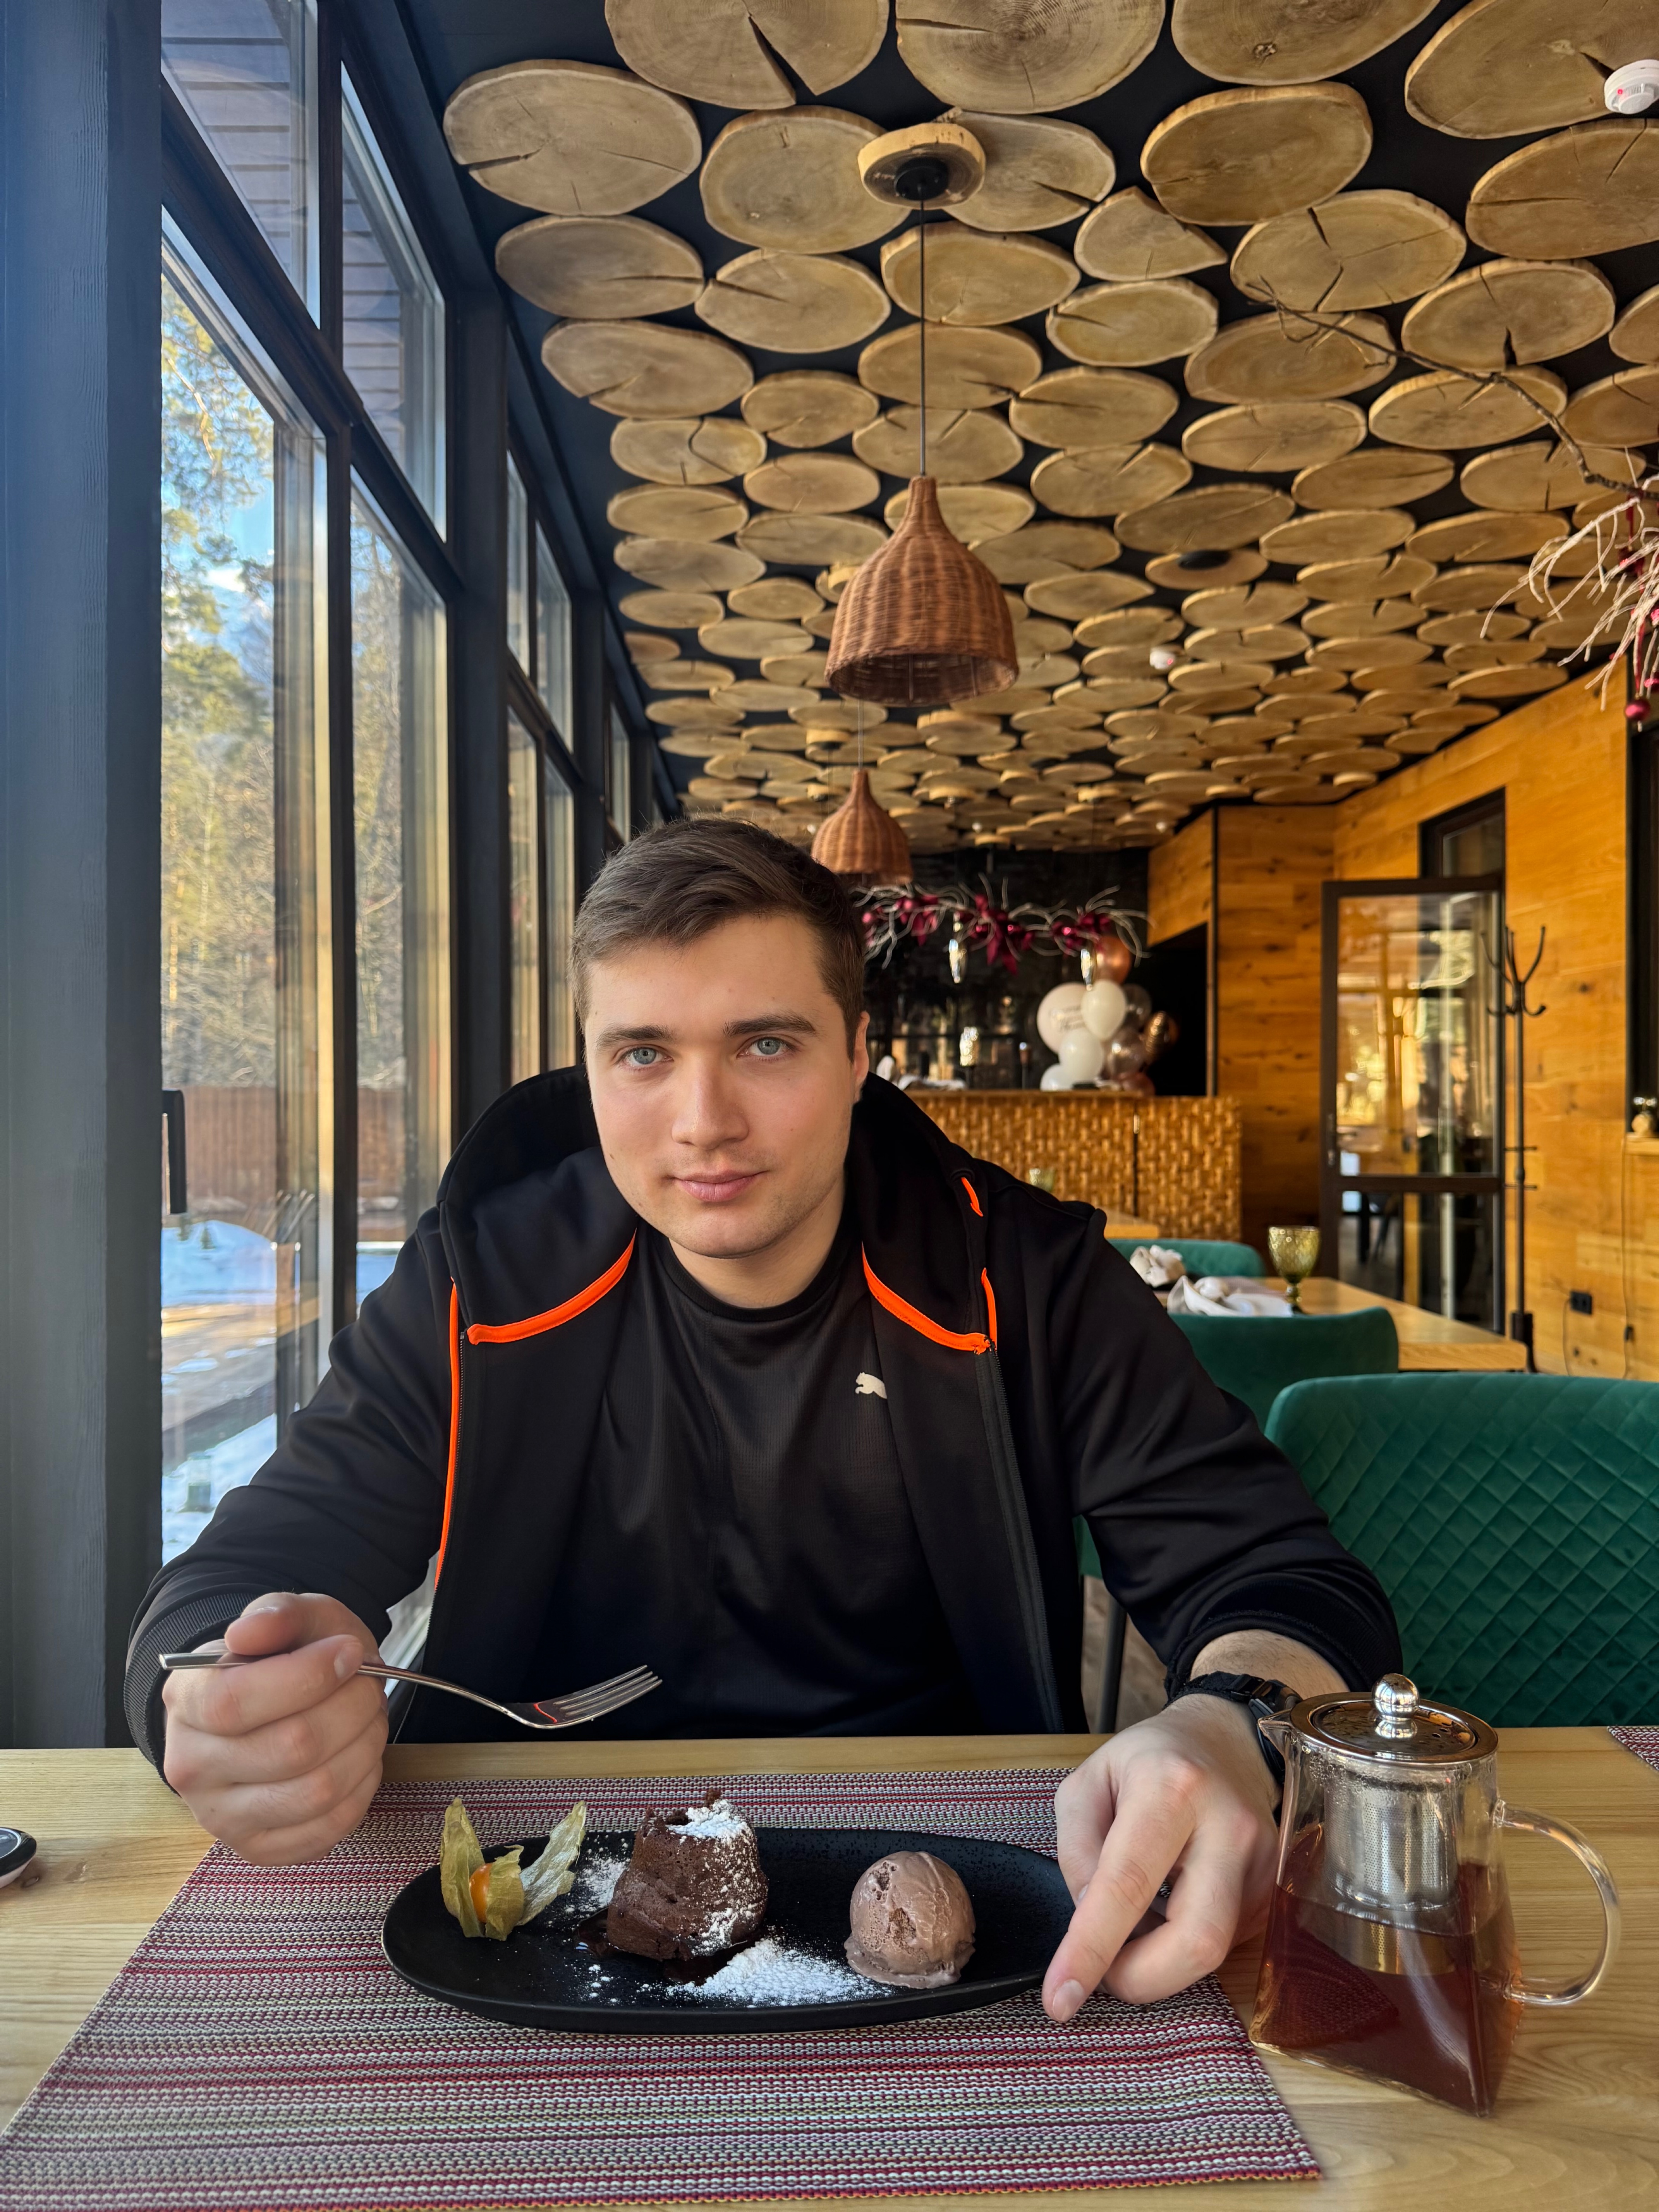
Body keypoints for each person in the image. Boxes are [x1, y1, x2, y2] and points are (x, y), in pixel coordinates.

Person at [128, 819, 1398, 2021]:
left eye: (767, 1046)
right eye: (643, 1054)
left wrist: (1235, 1720)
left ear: (857, 1053)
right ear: (588, 1064)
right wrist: (219, 1697)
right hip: (525, 1905)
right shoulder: (482, 1277)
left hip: (950, 1877)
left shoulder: (1022, 1276)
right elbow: (241, 1578)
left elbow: (1277, 1573)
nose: (704, 1123)